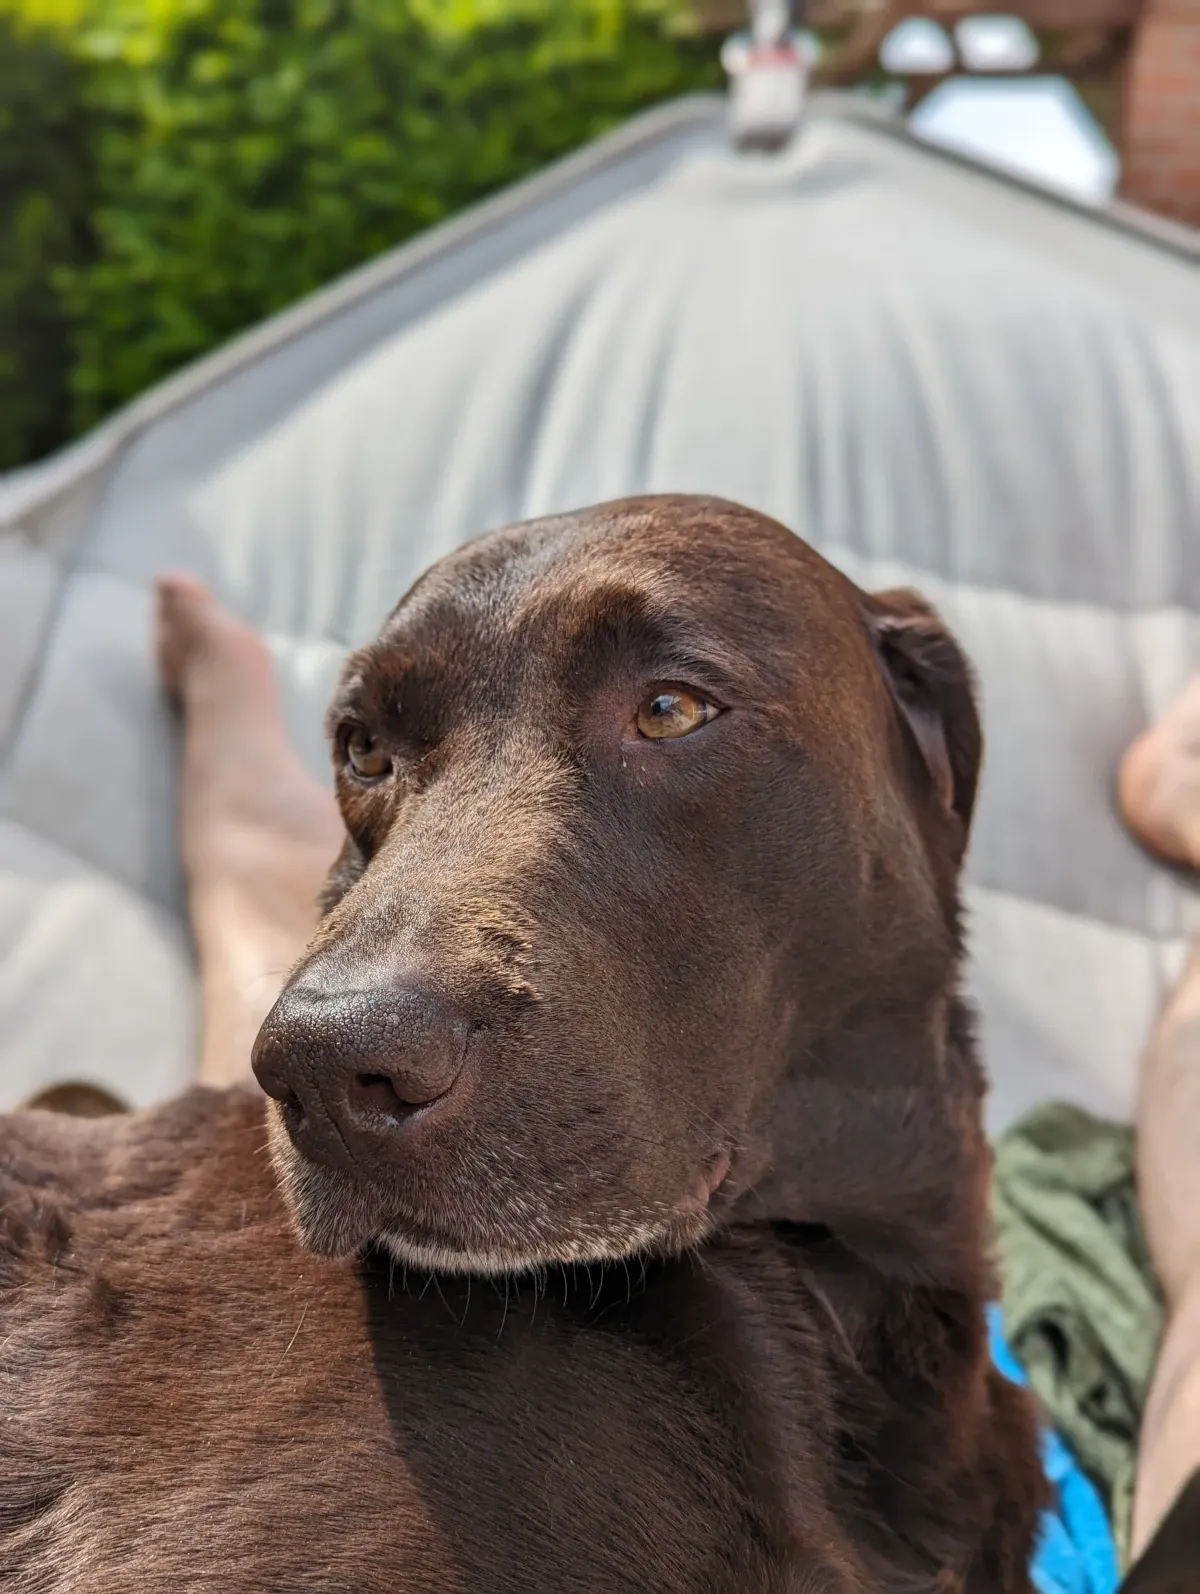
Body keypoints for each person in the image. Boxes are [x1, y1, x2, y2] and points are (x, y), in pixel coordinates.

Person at [154, 571, 1200, 1580]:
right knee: (302, 1067)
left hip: (968, 1403)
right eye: (373, 756)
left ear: (930, 764)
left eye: (666, 708)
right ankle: (260, 825)